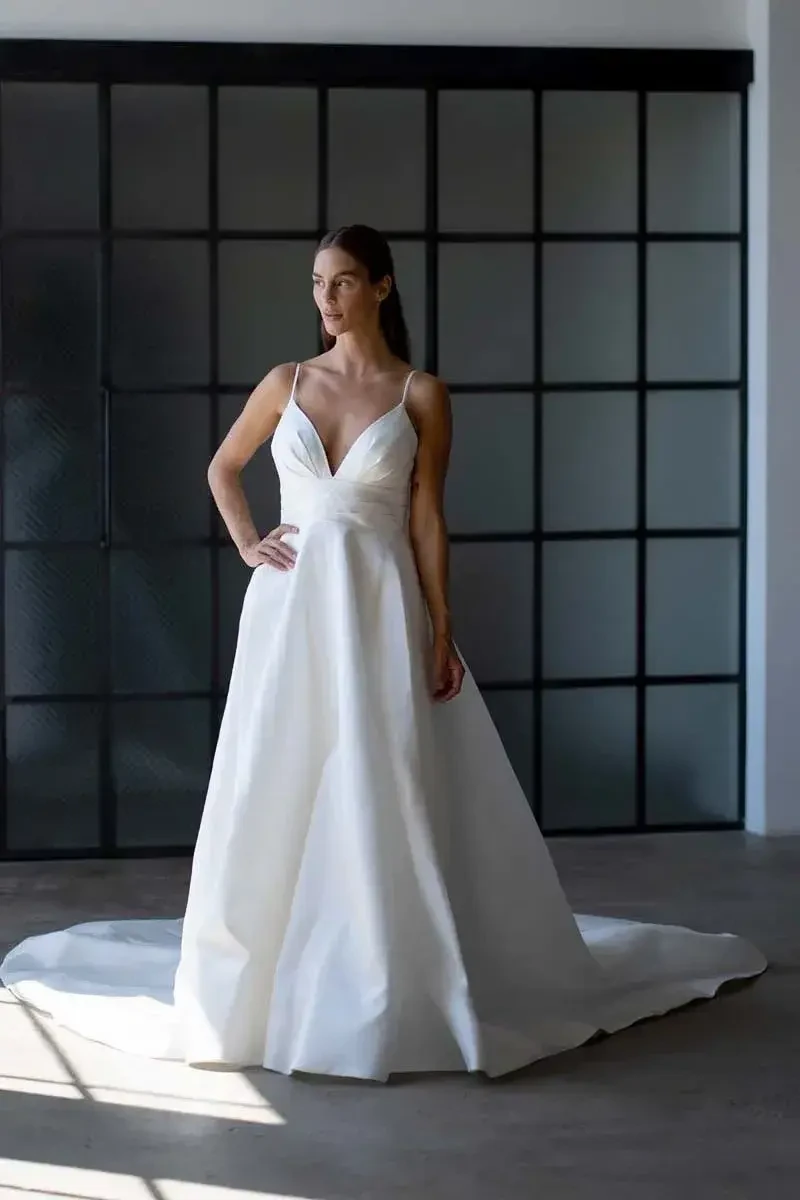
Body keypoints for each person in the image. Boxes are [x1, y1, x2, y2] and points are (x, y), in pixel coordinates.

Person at [1, 225, 766, 1081]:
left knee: (380, 772)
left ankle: (389, 966)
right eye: (318, 282)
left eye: (344, 281)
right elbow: (224, 467)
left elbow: (427, 519)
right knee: (275, 773)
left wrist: (441, 629)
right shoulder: (286, 383)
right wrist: (250, 541)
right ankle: (268, 966)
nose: (326, 298)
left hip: (378, 605)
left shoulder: (421, 395)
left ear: (383, 288)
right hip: (289, 612)